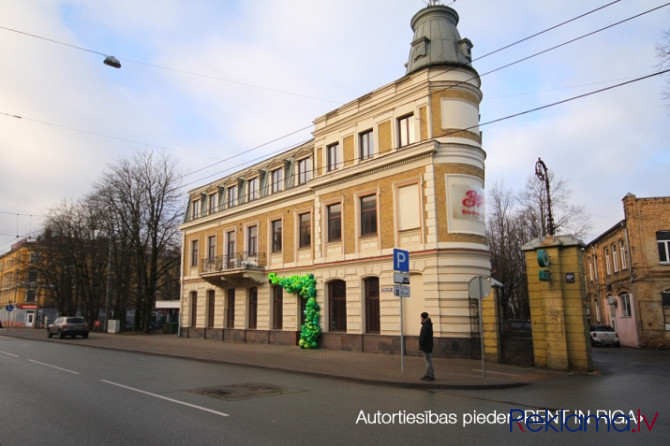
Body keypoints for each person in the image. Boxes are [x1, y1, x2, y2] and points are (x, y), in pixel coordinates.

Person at [419, 312, 434, 381]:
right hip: (428, 345)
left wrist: (421, 344)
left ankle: (430, 375)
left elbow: (423, 337)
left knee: (428, 361)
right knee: (428, 360)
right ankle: (428, 374)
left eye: (421, 317)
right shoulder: (427, 324)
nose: (420, 318)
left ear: (423, 317)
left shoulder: (426, 326)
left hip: (426, 346)